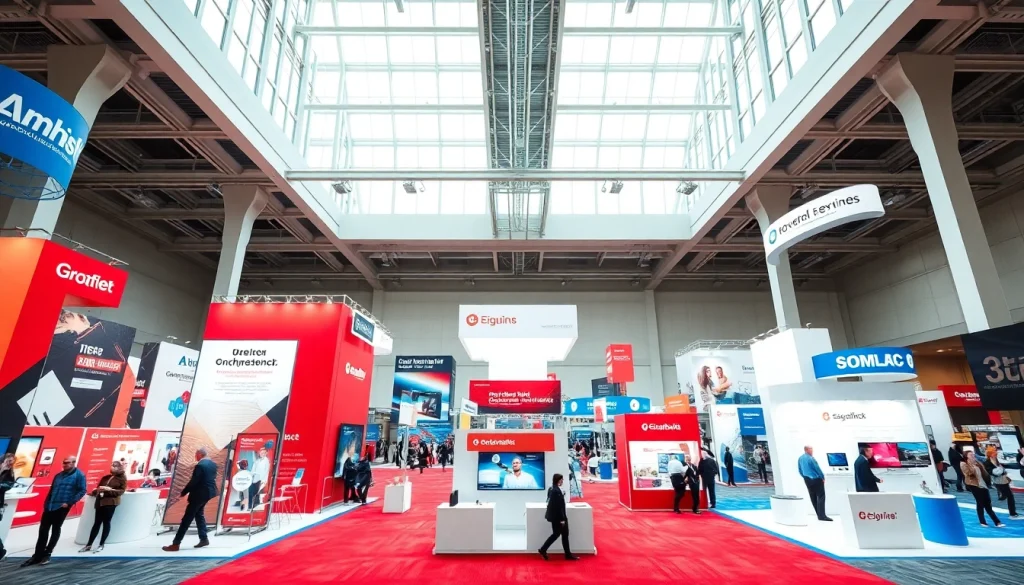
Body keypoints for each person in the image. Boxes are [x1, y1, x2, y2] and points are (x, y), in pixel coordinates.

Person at [21, 455, 86, 566]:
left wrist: (69, 503)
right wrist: (46, 503)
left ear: (73, 462)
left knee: (55, 529)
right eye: (64, 462)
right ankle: (37, 555)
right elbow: (51, 490)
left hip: (62, 507)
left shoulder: (79, 475)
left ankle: (48, 553)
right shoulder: (58, 476)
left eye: (67, 462)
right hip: (50, 506)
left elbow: (82, 490)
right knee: (43, 530)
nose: (65, 464)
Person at [163, 447, 218, 552]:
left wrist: (183, 492)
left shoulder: (200, 466)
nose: (195, 457)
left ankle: (176, 544)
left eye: (195, 454)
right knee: (199, 514)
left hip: (199, 495)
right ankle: (204, 538)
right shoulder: (212, 464)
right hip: (208, 493)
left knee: (187, 519)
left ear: (200, 454)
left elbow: (194, 482)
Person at [79, 460, 127, 553]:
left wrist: (109, 490)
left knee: (106, 523)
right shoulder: (106, 477)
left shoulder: (122, 478)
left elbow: (121, 492)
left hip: (110, 503)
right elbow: (98, 488)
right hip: (100, 502)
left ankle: (101, 544)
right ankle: (89, 545)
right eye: (112, 465)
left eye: (116, 466)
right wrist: (94, 492)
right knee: (96, 523)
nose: (113, 467)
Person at [538, 473, 578, 561]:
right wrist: (562, 519)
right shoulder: (556, 491)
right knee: (558, 534)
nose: (563, 481)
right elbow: (558, 506)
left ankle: (567, 554)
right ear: (558, 480)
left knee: (562, 535)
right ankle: (543, 549)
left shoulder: (552, 489)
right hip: (559, 518)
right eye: (561, 479)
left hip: (557, 517)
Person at [962, 450, 1003, 527]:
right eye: (970, 455)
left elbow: (985, 473)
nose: (972, 456)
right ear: (966, 456)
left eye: (973, 454)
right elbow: (969, 473)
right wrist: (971, 464)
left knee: (987, 502)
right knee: (981, 503)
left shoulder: (978, 463)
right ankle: (987, 521)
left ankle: (995, 522)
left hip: (983, 484)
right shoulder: (964, 464)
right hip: (974, 485)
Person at [798, 446, 831, 521]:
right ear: (806, 450)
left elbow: (799, 470)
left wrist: (805, 477)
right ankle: (822, 516)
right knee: (821, 496)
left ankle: (818, 515)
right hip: (816, 479)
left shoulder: (800, 458)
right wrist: (822, 477)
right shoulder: (811, 459)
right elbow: (817, 468)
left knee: (813, 497)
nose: (812, 451)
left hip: (807, 480)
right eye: (811, 450)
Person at [983, 450, 1019, 519]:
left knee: (1008, 495)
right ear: (990, 454)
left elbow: (1003, 467)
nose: (995, 454)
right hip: (998, 481)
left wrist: (1003, 470)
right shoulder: (987, 463)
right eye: (994, 453)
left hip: (1003, 480)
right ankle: (1012, 513)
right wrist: (1001, 470)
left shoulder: (997, 460)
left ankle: (1011, 511)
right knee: (1010, 496)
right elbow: (993, 473)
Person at [0, 453, 16, 562]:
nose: (10, 464)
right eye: (8, 461)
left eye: (12, 462)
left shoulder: (10, 474)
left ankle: (1, 552)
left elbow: (7, 486)